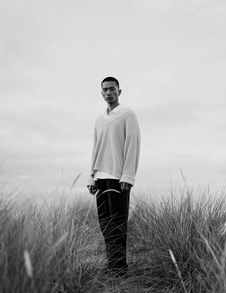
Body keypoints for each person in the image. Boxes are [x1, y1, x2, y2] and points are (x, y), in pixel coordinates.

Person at [87, 76, 140, 276]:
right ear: (101, 93)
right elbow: (95, 148)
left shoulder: (128, 115)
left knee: (118, 222)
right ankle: (112, 265)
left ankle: (120, 269)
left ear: (119, 91)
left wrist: (128, 176)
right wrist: (91, 176)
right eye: (105, 90)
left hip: (118, 177)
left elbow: (133, 145)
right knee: (105, 224)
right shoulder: (99, 120)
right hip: (99, 177)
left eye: (112, 89)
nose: (109, 92)